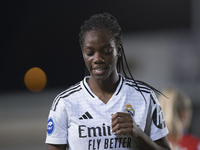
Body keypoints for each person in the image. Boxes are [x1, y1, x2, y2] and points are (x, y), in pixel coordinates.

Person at [45, 13, 171, 150]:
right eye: (89, 53)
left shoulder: (144, 97)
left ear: (119, 49)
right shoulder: (65, 102)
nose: (97, 58)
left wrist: (139, 134)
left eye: (106, 51)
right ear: (82, 52)